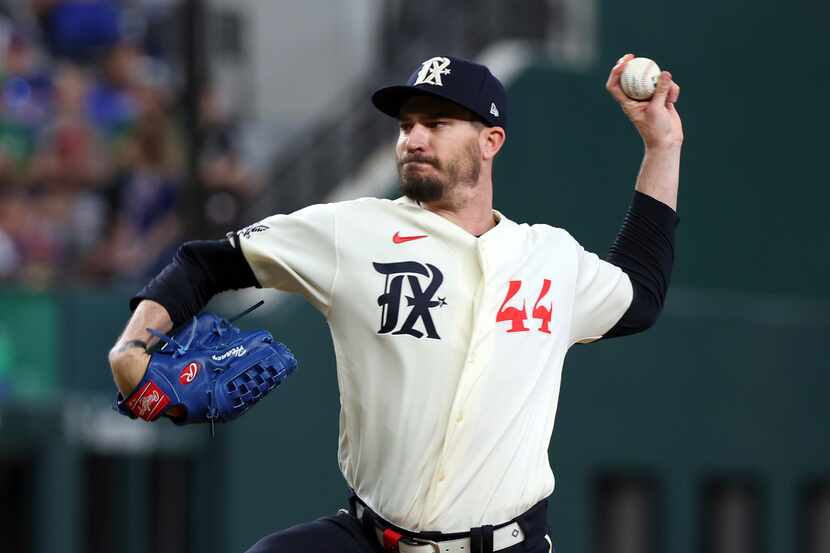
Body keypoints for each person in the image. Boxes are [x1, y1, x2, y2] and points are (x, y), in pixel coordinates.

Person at [108, 54, 682, 553]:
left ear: (491, 140)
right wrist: (134, 343)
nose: (414, 138)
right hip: (371, 539)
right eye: (407, 125)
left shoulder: (550, 257)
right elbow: (207, 262)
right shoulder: (353, 230)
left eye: (437, 122)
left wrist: (663, 144)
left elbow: (641, 293)